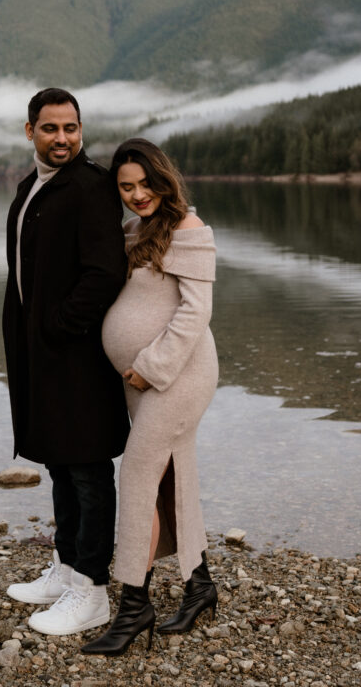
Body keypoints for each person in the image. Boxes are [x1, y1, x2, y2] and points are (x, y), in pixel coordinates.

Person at [81, 137, 219, 656]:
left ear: (164, 179)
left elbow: (194, 313)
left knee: (137, 473)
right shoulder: (134, 230)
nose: (138, 195)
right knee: (168, 476)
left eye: (145, 184)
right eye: (126, 187)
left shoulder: (190, 229)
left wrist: (148, 367)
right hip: (140, 380)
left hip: (178, 375)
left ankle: (134, 607)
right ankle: (200, 585)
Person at [2, 87, 130, 636]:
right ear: (29, 130)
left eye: (71, 128)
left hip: (77, 355)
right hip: (42, 354)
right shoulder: (32, 184)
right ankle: (67, 567)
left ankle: (93, 591)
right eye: (51, 128)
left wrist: (58, 327)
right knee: (59, 459)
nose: (63, 138)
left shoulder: (92, 186)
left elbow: (104, 273)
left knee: (88, 468)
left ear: (81, 130)